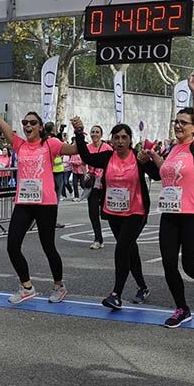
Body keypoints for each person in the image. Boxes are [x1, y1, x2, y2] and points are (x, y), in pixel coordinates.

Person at [0, 81, 78, 304]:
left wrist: (84, 136)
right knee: (12, 245)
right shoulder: (19, 144)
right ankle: (26, 286)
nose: (27, 125)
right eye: (25, 122)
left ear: (40, 126)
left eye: (32, 123)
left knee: (48, 246)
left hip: (45, 203)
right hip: (24, 202)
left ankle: (59, 286)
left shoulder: (50, 144)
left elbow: (74, 150)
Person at [141, 74, 194, 328]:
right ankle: (181, 308)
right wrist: (152, 156)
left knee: (190, 265)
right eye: (176, 122)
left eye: (183, 123)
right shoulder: (173, 149)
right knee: (168, 263)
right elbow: (167, 171)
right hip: (170, 213)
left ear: (193, 126)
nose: (178, 126)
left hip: (193, 215)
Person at [73, 118, 156, 309]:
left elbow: (157, 175)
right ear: (112, 140)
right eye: (116, 137)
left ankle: (116, 294)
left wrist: (149, 160)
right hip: (114, 211)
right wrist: (79, 132)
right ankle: (142, 287)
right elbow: (86, 157)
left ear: (130, 140)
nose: (120, 141)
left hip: (136, 211)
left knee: (122, 249)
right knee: (128, 248)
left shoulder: (137, 157)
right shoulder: (108, 157)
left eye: (124, 137)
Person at [82, 125, 113, 249]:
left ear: (101, 134)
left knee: (108, 212)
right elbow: (83, 162)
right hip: (93, 183)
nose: (94, 134)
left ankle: (119, 234)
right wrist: (85, 174)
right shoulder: (87, 148)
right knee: (93, 212)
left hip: (104, 183)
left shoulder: (107, 148)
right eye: (93, 132)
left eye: (97, 132)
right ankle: (98, 239)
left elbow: (112, 163)